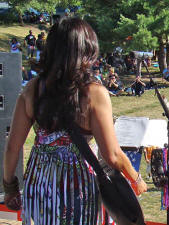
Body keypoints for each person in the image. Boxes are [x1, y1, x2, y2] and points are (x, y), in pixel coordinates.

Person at [3, 17, 147, 224]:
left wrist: (10, 188)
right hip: (78, 188)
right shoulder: (94, 93)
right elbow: (112, 155)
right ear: (87, 49)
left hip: (40, 184)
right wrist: (136, 178)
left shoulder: (32, 88)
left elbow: (12, 148)